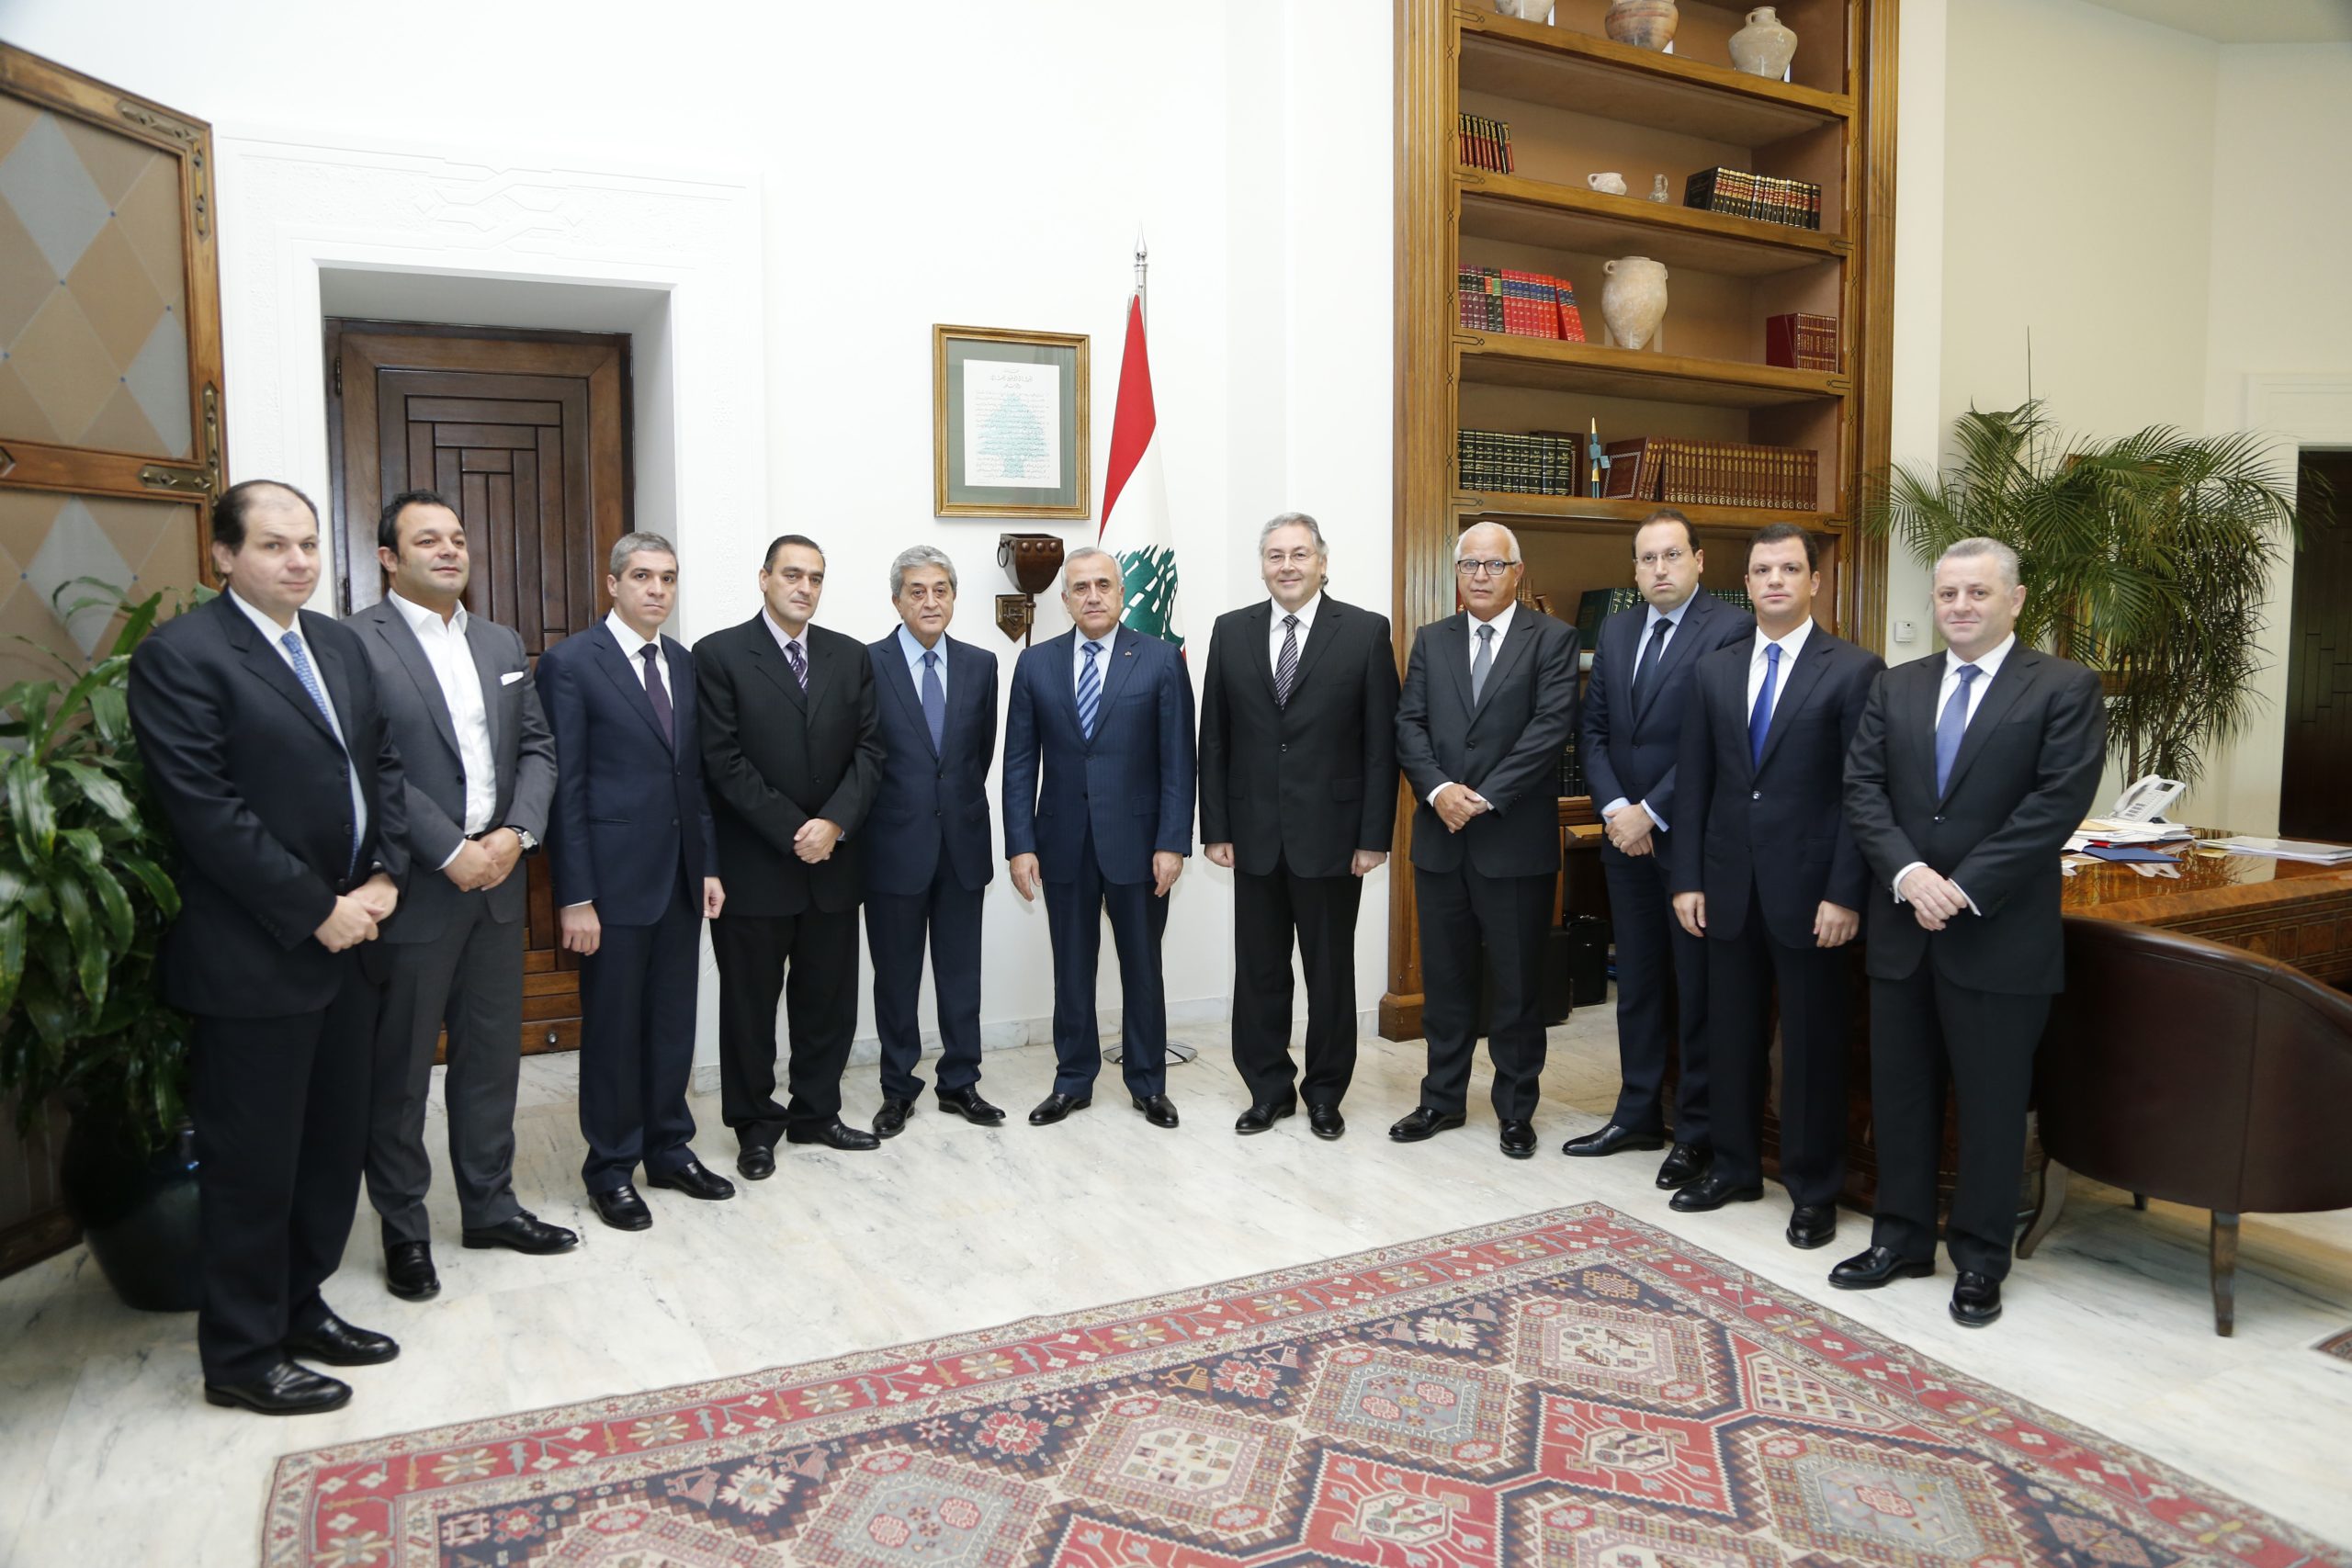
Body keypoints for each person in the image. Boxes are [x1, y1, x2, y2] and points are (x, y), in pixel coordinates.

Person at [129, 479, 408, 1416]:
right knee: (254, 1168)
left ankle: (300, 1306)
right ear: (223, 554)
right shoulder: (181, 656)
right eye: (274, 545)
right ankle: (243, 1357)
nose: (297, 561)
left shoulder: (338, 644)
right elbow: (206, 812)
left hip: (356, 941)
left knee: (330, 1152)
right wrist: (314, 907)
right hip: (258, 957)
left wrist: (386, 876)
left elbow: (384, 767)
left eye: (308, 544)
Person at [1838, 536, 2106, 1326]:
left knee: (1990, 1108)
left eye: (1978, 592)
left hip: (1998, 937)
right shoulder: (1896, 684)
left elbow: (2056, 803)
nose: (1960, 605)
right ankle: (1900, 1239)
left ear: (2014, 600)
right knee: (1901, 1096)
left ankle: (1981, 1259)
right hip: (1903, 928)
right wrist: (1908, 875)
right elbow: (1863, 789)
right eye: (1948, 592)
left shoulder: (2063, 686)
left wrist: (1961, 888)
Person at [347, 490, 573, 1304]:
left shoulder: (499, 640)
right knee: (402, 1073)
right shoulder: (355, 643)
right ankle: (404, 1230)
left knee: (491, 1060)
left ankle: (490, 1205)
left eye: (457, 537)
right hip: (416, 888)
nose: (449, 550)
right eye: (427, 540)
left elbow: (539, 748)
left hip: (501, 881)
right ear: (388, 557)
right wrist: (449, 850)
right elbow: (370, 764)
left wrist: (516, 834)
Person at [1666, 525, 1882, 1249]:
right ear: (1746, 584)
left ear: (1814, 581)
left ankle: (1813, 1188)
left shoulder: (1854, 670)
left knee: (1814, 1049)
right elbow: (1696, 783)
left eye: (1790, 568)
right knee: (1731, 1037)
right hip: (1727, 886)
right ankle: (1734, 1167)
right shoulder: (1714, 671)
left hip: (1814, 895)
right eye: (1762, 570)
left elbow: (1861, 794)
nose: (1775, 581)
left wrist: (1845, 892)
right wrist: (1688, 878)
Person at [537, 531, 731, 1229]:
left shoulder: (681, 662)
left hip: (678, 880)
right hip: (610, 887)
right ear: (614, 583)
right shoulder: (570, 664)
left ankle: (669, 1149)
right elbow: (565, 789)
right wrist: (576, 895)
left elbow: (692, 777)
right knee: (615, 1031)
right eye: (644, 576)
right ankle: (611, 1167)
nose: (657, 590)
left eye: (668, 578)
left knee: (672, 1024)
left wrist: (707, 864)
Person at [1564, 510, 1751, 1187]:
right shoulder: (1617, 630)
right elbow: (1595, 729)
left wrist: (1651, 811)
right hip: (1625, 839)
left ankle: (1695, 1132)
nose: (1659, 568)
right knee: (1638, 983)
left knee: (1694, 990)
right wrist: (1618, 809)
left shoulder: (1732, 628)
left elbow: (1721, 738)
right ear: (1635, 570)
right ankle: (1637, 1113)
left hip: (1691, 841)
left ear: (1699, 560)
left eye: (1672, 555)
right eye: (1647, 558)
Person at [1199, 512, 1398, 1140]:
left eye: (1299, 554)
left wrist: (1373, 837)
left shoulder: (1365, 631)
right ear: (1263, 565)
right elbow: (1214, 738)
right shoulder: (1230, 631)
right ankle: (1267, 1090)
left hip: (1335, 839)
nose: (1287, 565)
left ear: (1322, 563)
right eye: (1276, 555)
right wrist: (1216, 827)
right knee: (1259, 973)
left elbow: (1380, 746)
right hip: (1253, 835)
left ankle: (1325, 1094)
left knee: (1329, 974)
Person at [695, 535, 884, 1175]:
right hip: (755, 866)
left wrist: (834, 823)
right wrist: (796, 828)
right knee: (750, 1006)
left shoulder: (850, 656)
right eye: (792, 575)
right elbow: (722, 760)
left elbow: (871, 751)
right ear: (764, 578)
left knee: (827, 1000)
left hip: (834, 864)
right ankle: (755, 1126)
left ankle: (816, 1113)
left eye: (816, 578)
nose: (805, 588)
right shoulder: (719, 654)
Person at [1391, 521, 1580, 1158]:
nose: (1480, 575)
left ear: (1516, 572)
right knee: (1445, 982)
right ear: (1456, 572)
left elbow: (1550, 727)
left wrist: (1484, 796)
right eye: (1469, 564)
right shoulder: (1431, 639)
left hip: (1513, 838)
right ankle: (1441, 1099)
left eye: (1493, 564)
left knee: (1518, 985)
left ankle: (1515, 1110)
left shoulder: (1552, 638)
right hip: (1441, 840)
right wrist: (1440, 790)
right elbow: (1409, 724)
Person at [1002, 547, 1196, 1130]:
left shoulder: (1161, 659)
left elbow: (1178, 762)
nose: (1092, 596)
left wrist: (1172, 842)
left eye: (1103, 585)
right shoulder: (1035, 664)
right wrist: (1020, 843)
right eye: (1081, 588)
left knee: (1143, 968)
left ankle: (1148, 1083)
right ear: (1064, 600)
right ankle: (1073, 1080)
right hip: (1061, 842)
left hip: (1139, 843)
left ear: (1121, 592)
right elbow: (1019, 762)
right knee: (1071, 970)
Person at [862, 545, 1004, 1134]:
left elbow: (977, 755)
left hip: (962, 845)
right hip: (893, 847)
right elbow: (861, 756)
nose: (930, 601)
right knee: (897, 978)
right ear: (897, 600)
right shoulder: (866, 664)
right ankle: (897, 1089)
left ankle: (960, 1083)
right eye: (917, 591)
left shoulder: (981, 665)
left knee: (961, 975)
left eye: (940, 590)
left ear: (953, 597)